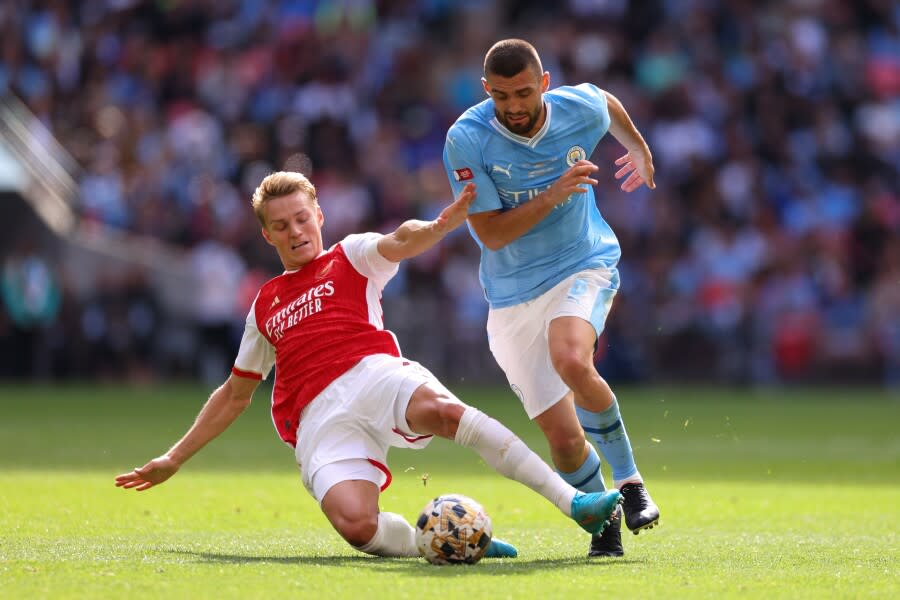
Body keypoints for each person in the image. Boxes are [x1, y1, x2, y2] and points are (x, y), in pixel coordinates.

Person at [115, 171, 623, 560]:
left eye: (301, 218)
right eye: (280, 226)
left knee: (443, 411)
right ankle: (451, 541)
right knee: (357, 527)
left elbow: (401, 239)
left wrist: (441, 225)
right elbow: (234, 394)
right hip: (317, 420)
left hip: (373, 372)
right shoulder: (264, 305)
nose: (295, 231)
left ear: (319, 215)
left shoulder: (351, 255)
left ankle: (573, 503)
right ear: (267, 236)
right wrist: (174, 458)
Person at [442, 39, 660, 558]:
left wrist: (638, 149)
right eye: (501, 97)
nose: (514, 106)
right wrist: (553, 193)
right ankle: (602, 517)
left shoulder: (575, 107)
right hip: (511, 295)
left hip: (582, 263)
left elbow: (606, 102)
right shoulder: (467, 138)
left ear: (544, 84)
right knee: (563, 441)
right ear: (486, 91)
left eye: (523, 93)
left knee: (570, 357)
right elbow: (491, 235)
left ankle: (629, 483)